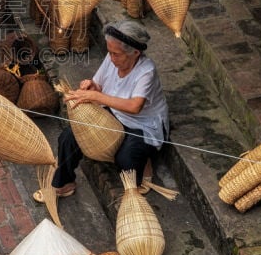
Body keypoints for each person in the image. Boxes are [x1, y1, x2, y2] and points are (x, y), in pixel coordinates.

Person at [34, 19, 169, 202]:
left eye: (116, 54)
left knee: (126, 158)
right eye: (110, 52)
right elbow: (98, 85)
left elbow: (134, 107)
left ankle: (143, 167)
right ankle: (64, 184)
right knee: (68, 137)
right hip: (113, 113)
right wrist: (91, 86)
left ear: (135, 53)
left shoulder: (146, 71)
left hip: (142, 124)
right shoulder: (111, 57)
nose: (111, 58)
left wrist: (97, 98)